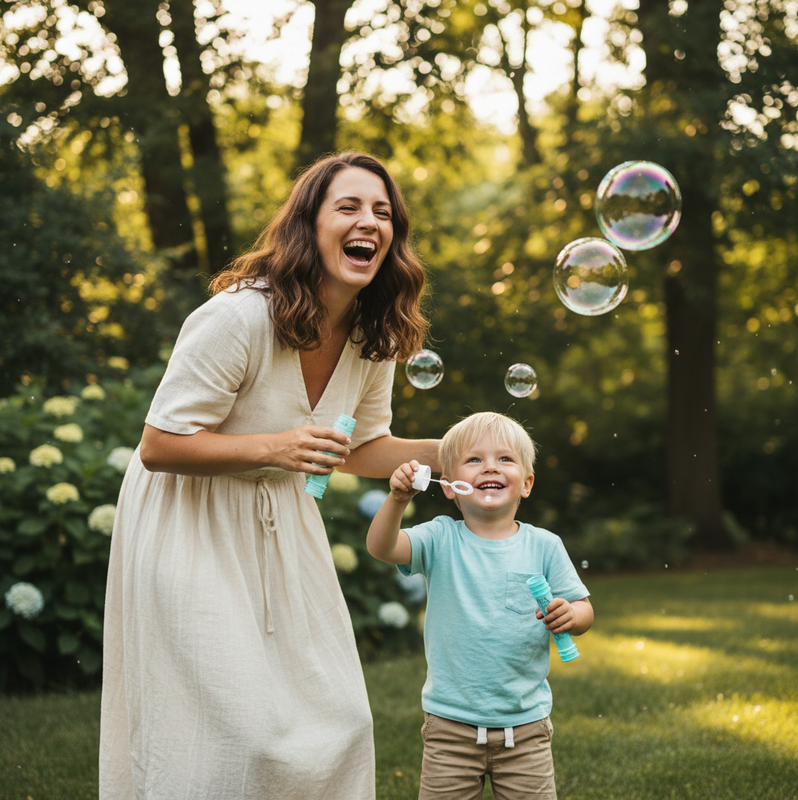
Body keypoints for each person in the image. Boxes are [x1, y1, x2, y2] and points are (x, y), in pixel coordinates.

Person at [99, 152, 440, 800]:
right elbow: (158, 444)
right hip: (189, 520)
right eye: (349, 206)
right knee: (233, 732)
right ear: (308, 224)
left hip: (283, 524)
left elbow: (362, 448)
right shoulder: (239, 317)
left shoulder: (375, 334)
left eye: (383, 212)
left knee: (341, 718)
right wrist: (275, 447)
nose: (369, 220)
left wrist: (462, 450)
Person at [366, 412, 593, 800]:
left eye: (505, 459)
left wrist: (571, 615)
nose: (490, 466)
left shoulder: (544, 545)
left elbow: (584, 608)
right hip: (449, 725)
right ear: (450, 487)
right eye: (474, 460)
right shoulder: (440, 537)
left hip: (526, 725)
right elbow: (382, 547)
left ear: (527, 483)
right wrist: (397, 499)